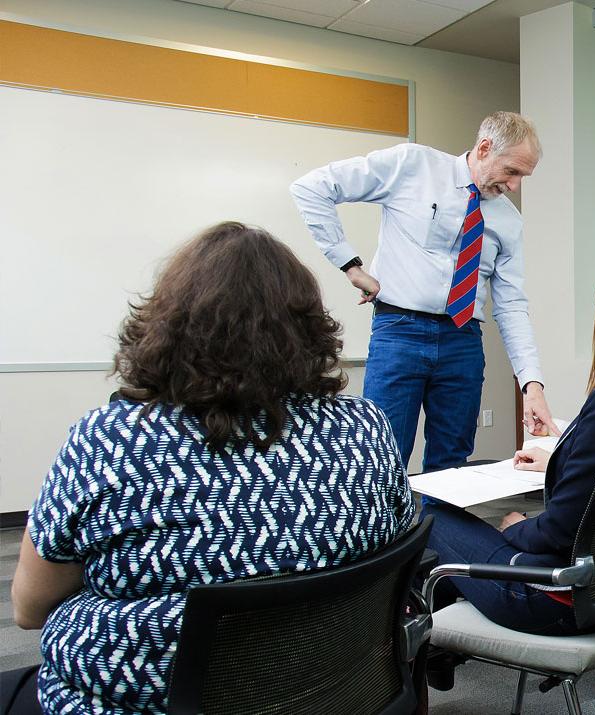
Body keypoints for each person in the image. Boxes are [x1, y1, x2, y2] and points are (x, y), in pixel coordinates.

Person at [6, 222, 416, 715]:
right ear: (308, 328)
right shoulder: (366, 427)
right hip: (337, 693)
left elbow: (29, 610)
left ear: (168, 325)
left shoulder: (112, 441)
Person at [423, 266, 595, 635]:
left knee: (435, 517)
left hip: (556, 595)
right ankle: (437, 648)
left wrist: (515, 528)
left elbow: (562, 529)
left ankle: (424, 648)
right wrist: (557, 461)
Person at [290, 111, 555, 472]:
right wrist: (350, 266)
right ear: (484, 148)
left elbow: (511, 306)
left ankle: (442, 531)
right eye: (512, 171)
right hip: (400, 332)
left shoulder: (508, 221)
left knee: (451, 465)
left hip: (463, 341)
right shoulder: (412, 165)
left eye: (523, 177)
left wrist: (531, 384)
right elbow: (312, 187)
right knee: (382, 457)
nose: (514, 186)